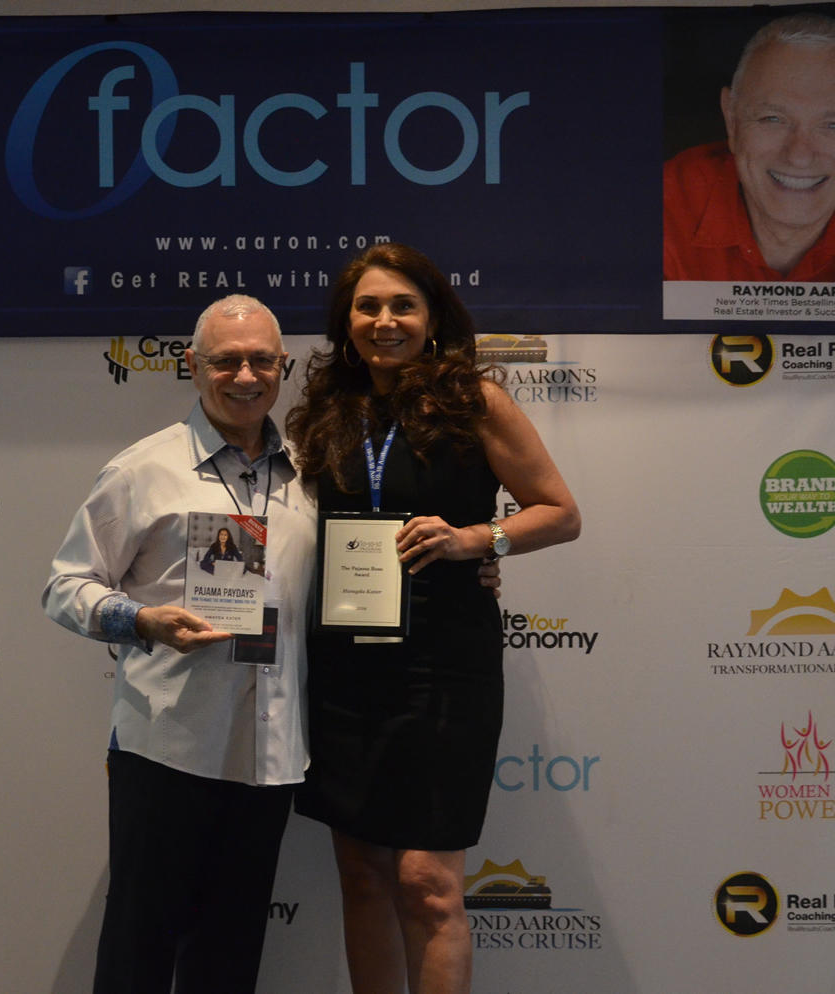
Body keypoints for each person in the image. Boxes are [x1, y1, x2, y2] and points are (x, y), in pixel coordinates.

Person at [285, 244, 580, 994]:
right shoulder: (325, 411)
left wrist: (477, 540)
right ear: (346, 322)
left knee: (427, 883)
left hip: (444, 663)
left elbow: (560, 513)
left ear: (433, 318)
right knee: (362, 874)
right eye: (367, 307)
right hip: (343, 665)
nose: (384, 321)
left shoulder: (475, 402)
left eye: (403, 306)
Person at [43, 295, 313, 994]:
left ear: (283, 366)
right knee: (139, 946)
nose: (246, 376)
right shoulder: (143, 470)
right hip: (168, 747)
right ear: (192, 366)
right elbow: (64, 586)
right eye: (226, 361)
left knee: (230, 955)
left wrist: (477, 564)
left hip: (269, 753)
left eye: (261, 360)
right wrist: (140, 620)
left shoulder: (310, 475)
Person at [663, 13, 835, 283]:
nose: (799, 156)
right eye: (773, 119)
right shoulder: (660, 209)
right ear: (732, 120)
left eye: (833, 125)